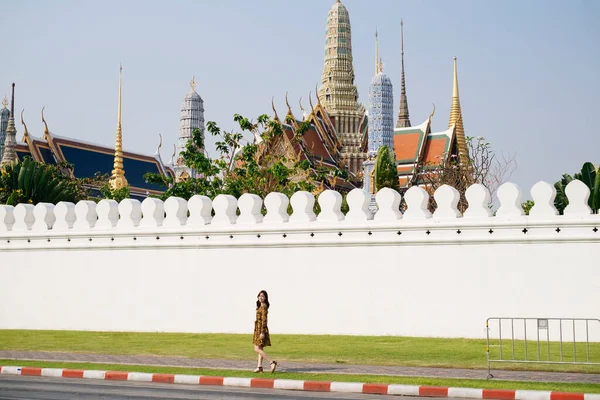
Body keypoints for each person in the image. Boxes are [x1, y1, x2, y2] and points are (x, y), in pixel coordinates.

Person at [253, 290, 278, 373]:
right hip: (258, 330)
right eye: (259, 295)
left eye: (262, 296)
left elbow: (264, 320)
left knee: (256, 348)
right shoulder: (260, 306)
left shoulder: (263, 306)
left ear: (265, 298)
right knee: (260, 348)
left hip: (261, 330)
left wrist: (262, 332)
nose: (261, 297)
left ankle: (271, 362)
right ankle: (259, 366)